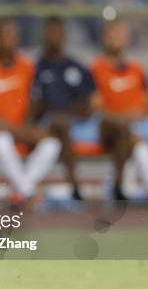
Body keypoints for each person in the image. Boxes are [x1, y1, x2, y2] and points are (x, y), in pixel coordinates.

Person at [31, 17, 133, 200]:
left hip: (82, 123)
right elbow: (36, 105)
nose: (54, 37)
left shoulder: (77, 67)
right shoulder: (36, 68)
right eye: (50, 33)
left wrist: (78, 111)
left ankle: (117, 187)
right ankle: (75, 188)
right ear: (44, 36)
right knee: (60, 124)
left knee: (120, 127)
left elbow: (91, 104)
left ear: (64, 36)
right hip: (55, 125)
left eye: (57, 33)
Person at [0, 19, 61, 201]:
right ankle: (28, 192)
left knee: (52, 144)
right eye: (4, 36)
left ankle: (23, 190)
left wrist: (26, 128)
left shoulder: (28, 67)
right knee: (1, 141)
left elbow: (34, 102)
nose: (8, 40)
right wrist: (17, 130)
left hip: (20, 129)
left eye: (12, 36)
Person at [91, 20, 148, 192]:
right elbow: (96, 108)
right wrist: (124, 118)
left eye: (120, 34)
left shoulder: (136, 70)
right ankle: (118, 183)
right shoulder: (96, 69)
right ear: (104, 38)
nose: (116, 38)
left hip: (138, 127)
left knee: (139, 145)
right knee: (129, 136)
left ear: (127, 39)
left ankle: (118, 185)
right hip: (112, 127)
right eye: (112, 34)